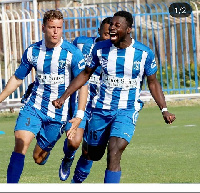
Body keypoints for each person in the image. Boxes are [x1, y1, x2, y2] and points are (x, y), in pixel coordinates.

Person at [52, 10, 176, 183]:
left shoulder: (144, 53)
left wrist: (164, 109)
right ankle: (74, 174)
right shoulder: (100, 49)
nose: (112, 28)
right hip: (101, 109)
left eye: (117, 25)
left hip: (127, 110)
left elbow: (153, 82)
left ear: (129, 29)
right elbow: (85, 73)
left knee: (115, 151)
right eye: (111, 25)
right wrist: (64, 97)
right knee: (92, 154)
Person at [0, 9, 88, 183]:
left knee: (38, 158)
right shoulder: (32, 51)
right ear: (43, 28)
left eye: (59, 28)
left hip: (58, 114)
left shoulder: (72, 53)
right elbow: (18, 78)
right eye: (51, 27)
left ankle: (64, 156)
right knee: (20, 144)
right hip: (34, 107)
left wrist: (79, 115)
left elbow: (83, 84)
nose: (55, 32)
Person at [59, 17, 112, 182]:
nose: (109, 38)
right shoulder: (81, 44)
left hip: (101, 107)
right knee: (74, 142)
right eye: (105, 34)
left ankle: (76, 183)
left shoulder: (121, 54)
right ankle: (68, 157)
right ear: (98, 31)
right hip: (81, 103)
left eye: (112, 35)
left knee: (90, 152)